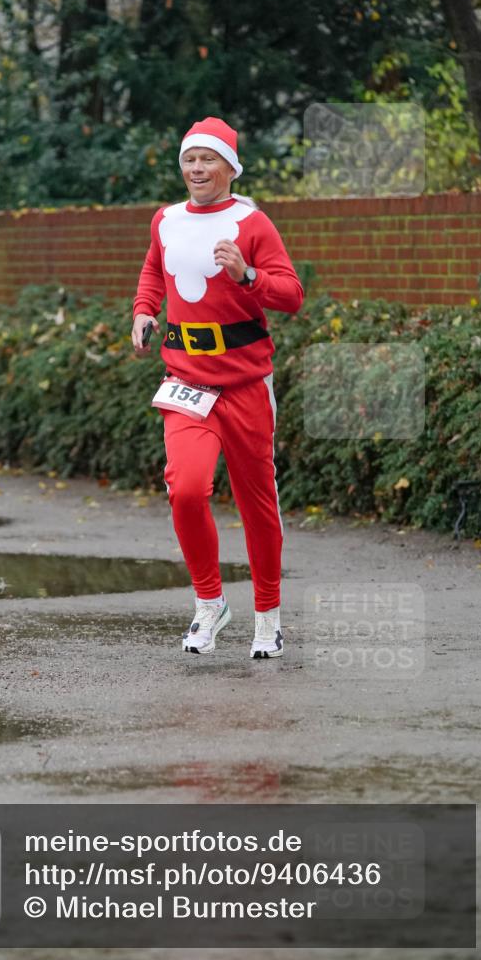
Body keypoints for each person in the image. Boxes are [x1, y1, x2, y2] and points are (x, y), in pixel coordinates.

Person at [131, 116, 303, 659]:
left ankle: (268, 618)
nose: (197, 169)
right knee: (185, 489)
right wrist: (142, 312)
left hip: (247, 382)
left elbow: (292, 294)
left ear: (230, 167)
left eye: (208, 160)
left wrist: (248, 276)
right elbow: (153, 274)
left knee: (257, 504)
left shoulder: (253, 223)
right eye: (189, 160)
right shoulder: (167, 219)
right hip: (186, 380)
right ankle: (210, 606)